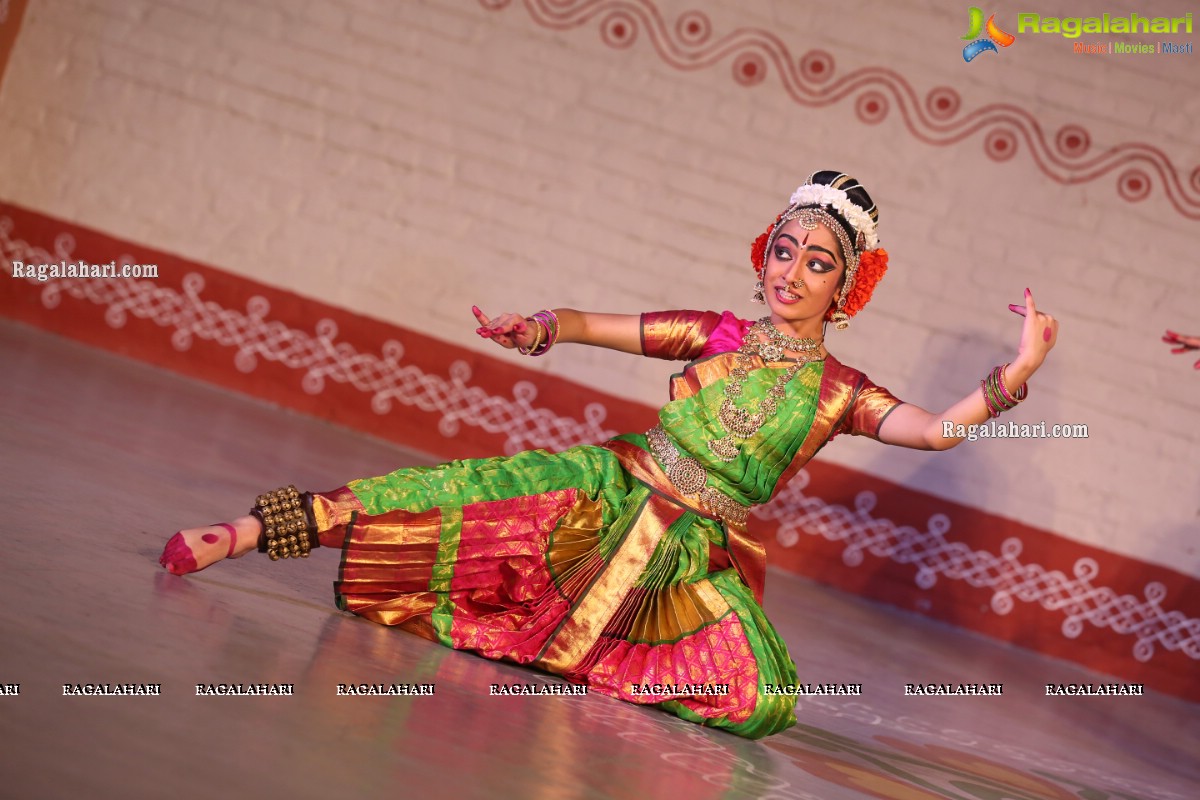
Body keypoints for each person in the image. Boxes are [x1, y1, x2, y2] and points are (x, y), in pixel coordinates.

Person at [160, 171, 1058, 739]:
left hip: (690, 553)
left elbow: (937, 430)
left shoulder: (841, 391)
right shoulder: (713, 334)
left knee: (761, 697)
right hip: (614, 487)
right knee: (453, 494)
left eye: (816, 263)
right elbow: (600, 326)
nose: (791, 273)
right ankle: (243, 533)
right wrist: (542, 326)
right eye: (783, 251)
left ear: (846, 286)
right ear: (763, 259)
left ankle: (609, 663)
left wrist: (1016, 373)